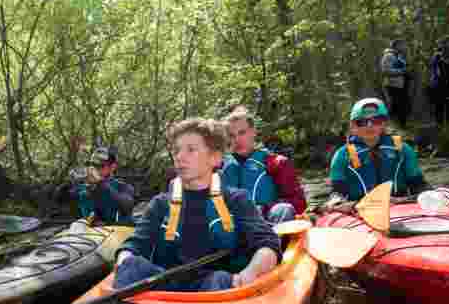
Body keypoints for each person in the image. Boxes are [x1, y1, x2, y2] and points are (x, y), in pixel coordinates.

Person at [112, 118, 281, 292]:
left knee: (220, 280)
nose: (179, 156)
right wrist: (124, 259)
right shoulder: (160, 204)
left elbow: (268, 245)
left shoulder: (237, 200)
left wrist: (249, 273)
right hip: (165, 285)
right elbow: (133, 246)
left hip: (215, 288)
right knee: (132, 265)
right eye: (176, 150)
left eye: (191, 150)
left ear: (215, 158)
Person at [328, 98, 428, 205]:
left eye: (376, 121)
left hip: (399, 205)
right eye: (361, 122)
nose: (369, 125)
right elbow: (337, 192)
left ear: (384, 123)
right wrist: (337, 202)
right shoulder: (342, 155)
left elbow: (418, 185)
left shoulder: (403, 149)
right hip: (359, 208)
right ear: (353, 126)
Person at [221, 106, 307, 223]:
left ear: (253, 132)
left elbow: (299, 203)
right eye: (232, 135)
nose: (237, 140)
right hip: (234, 226)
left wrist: (263, 209)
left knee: (283, 209)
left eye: (242, 133)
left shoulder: (277, 163)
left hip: (268, 223)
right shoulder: (219, 167)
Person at [70, 146, 135, 225]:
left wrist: (100, 183)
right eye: (92, 164)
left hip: (117, 231)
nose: (95, 169)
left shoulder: (124, 187)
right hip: (93, 233)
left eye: (100, 166)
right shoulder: (83, 189)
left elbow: (127, 206)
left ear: (113, 167)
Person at [427, 36, 449, 126]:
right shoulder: (437, 56)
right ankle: (439, 126)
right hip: (438, 84)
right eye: (447, 42)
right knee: (439, 106)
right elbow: (433, 68)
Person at [381, 39, 411, 126]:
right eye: (402, 45)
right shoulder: (389, 56)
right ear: (396, 46)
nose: (404, 47)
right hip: (393, 85)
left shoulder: (399, 56)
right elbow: (386, 71)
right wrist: (403, 71)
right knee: (396, 106)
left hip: (401, 85)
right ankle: (393, 126)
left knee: (403, 106)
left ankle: (401, 126)